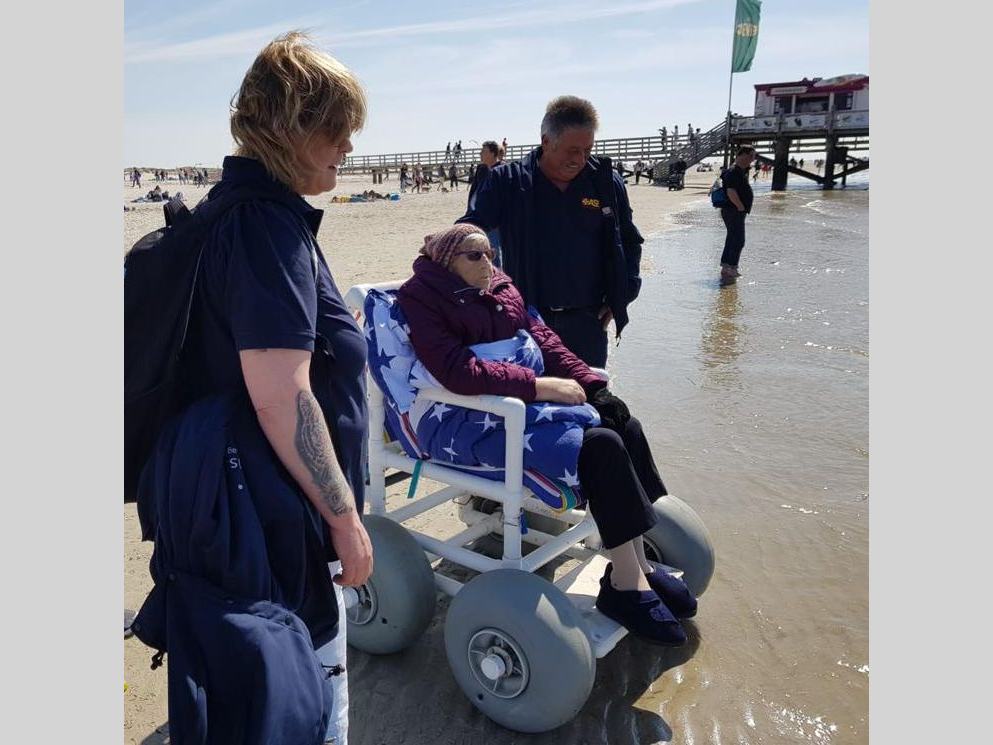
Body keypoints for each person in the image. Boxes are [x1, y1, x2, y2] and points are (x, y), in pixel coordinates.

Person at [131, 31, 372, 744]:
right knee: (306, 706)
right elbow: (281, 396)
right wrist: (345, 520)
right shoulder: (267, 228)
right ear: (295, 124)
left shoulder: (224, 215)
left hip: (223, 511)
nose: (349, 149)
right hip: (271, 523)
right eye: (339, 131)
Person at [397, 225, 697, 646]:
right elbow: (453, 370)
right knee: (599, 447)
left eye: (490, 253)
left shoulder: (501, 287)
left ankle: (637, 567)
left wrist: (591, 385)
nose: (488, 264)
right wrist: (539, 386)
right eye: (474, 256)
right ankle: (626, 583)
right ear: (447, 261)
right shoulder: (422, 298)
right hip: (464, 412)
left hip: (512, 400)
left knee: (622, 425)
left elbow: (544, 339)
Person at [459, 95, 643, 368]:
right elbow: (474, 226)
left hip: (587, 323)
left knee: (589, 403)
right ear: (546, 141)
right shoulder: (508, 181)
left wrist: (623, 294)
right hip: (526, 319)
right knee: (530, 404)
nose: (580, 159)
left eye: (587, 150)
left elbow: (630, 240)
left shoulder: (604, 183)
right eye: (572, 150)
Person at [719, 145, 756, 283]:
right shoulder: (734, 171)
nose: (752, 159)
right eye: (751, 156)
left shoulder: (739, 171)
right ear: (742, 155)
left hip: (733, 210)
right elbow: (731, 191)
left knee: (732, 238)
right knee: (738, 240)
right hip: (733, 210)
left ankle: (726, 267)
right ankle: (731, 269)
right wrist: (740, 207)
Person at [467, 141, 503, 266]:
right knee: (479, 249)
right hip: (476, 216)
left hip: (493, 221)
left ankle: (497, 278)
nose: (480, 154)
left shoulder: (502, 170)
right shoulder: (481, 169)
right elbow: (475, 192)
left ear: (493, 154)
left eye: (483, 151)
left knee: (493, 251)